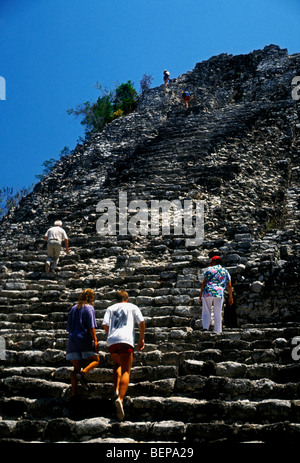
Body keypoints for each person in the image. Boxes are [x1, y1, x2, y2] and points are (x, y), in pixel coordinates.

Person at [102, 290, 145, 421]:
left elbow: (104, 324)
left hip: (112, 341)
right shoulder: (132, 306)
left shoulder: (110, 308)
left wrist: (112, 334)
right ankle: (120, 398)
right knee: (126, 370)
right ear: (127, 299)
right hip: (126, 340)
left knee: (117, 363)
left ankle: (115, 389)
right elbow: (141, 322)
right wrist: (141, 338)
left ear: (116, 299)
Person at [66, 289, 99, 397]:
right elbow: (91, 326)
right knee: (96, 360)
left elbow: (68, 327)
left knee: (75, 368)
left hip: (72, 339)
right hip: (84, 338)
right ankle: (82, 373)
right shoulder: (89, 308)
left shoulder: (74, 308)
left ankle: (74, 393)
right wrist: (95, 340)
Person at [199, 256, 233, 334]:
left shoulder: (209, 269)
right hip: (219, 292)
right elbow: (229, 285)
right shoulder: (225, 271)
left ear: (213, 262)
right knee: (217, 312)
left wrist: (200, 293)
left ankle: (205, 328)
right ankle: (218, 330)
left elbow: (204, 282)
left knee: (206, 310)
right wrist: (231, 297)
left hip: (208, 291)